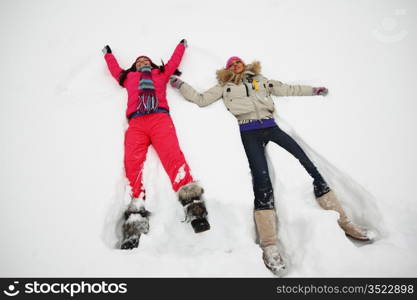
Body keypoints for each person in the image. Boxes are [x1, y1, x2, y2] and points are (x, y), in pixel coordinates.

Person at [170, 56, 370, 276]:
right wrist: (180, 85)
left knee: (307, 164)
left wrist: (314, 90)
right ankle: (269, 245)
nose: (235, 65)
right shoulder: (224, 86)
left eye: (238, 62)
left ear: (244, 65)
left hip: (271, 126)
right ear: (227, 69)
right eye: (231, 64)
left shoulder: (261, 80)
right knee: (262, 181)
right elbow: (200, 99)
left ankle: (344, 220)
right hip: (248, 132)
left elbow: (288, 89)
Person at [102, 39, 210, 250]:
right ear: (134, 66)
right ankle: (134, 223)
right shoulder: (128, 77)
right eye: (139, 60)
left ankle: (195, 209)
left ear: (151, 64)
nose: (142, 61)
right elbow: (115, 70)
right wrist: (108, 55)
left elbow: (172, 62)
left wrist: (182, 47)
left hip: (160, 119)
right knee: (132, 165)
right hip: (137, 123)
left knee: (174, 158)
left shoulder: (160, 74)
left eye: (146, 59)